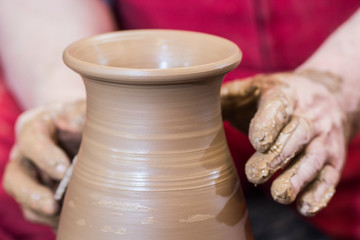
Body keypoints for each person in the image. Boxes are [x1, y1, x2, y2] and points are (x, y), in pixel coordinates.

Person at [0, 0, 360, 239]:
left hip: (335, 79)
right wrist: (66, 97)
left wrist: (336, 84)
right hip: (141, 81)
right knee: (30, 160)